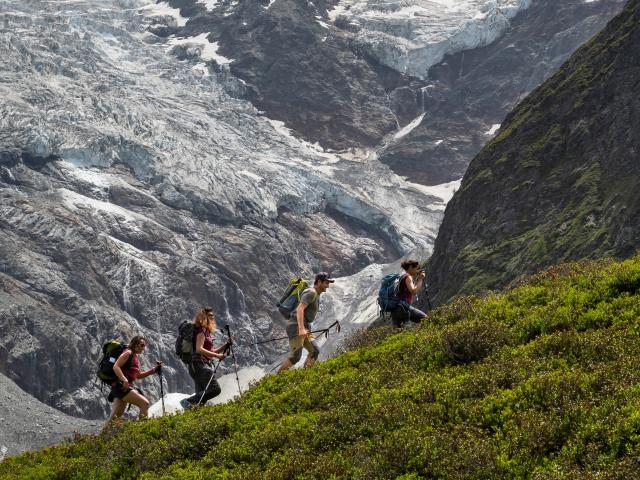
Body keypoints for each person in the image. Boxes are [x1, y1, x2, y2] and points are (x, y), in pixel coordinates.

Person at [279, 272, 334, 372]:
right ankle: (276, 383)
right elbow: (300, 309)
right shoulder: (311, 292)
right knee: (295, 357)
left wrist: (305, 328)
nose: (328, 286)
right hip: (296, 326)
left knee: (315, 351)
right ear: (319, 282)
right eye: (326, 283)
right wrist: (301, 329)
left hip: (305, 327)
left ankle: (305, 377)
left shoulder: (316, 294)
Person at [180, 307, 230, 409]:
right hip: (199, 364)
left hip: (196, 366)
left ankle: (192, 415)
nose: (212, 318)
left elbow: (211, 352)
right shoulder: (201, 330)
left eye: (213, 316)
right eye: (210, 316)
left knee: (201, 399)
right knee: (215, 389)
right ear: (204, 317)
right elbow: (199, 349)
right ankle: (187, 401)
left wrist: (226, 346)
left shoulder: (206, 332)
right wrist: (217, 356)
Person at [105, 336, 160, 427]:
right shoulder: (128, 353)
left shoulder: (135, 357)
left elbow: (138, 375)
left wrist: (154, 370)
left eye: (144, 346)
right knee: (145, 404)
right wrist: (124, 379)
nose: (143, 348)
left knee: (114, 418)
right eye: (142, 345)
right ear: (135, 345)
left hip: (121, 388)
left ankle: (101, 438)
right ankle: (144, 431)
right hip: (121, 387)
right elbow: (116, 366)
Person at [391, 259, 428, 328]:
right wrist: (421, 279)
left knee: (397, 333)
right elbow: (413, 291)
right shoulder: (408, 277)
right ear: (411, 267)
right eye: (416, 268)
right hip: (403, 307)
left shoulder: (401, 277)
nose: (417, 271)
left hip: (395, 309)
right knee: (426, 320)